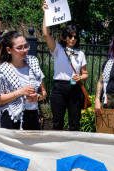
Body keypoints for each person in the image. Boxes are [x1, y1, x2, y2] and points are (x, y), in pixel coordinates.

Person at [42, 3, 88, 131]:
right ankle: (57, 150)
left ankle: (74, 148)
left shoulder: (81, 53)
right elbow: (46, 34)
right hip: (59, 88)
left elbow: (85, 73)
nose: (72, 39)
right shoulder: (58, 49)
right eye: (70, 36)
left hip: (74, 87)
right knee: (57, 122)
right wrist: (46, 13)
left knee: (74, 123)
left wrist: (80, 77)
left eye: (75, 37)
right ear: (65, 36)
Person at [0, 31, 47, 130]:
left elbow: (43, 92)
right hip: (11, 117)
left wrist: (37, 97)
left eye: (26, 46)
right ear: (9, 50)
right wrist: (20, 92)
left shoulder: (33, 62)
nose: (24, 50)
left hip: (33, 115)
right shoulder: (1, 71)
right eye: (19, 48)